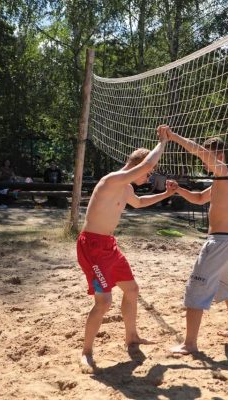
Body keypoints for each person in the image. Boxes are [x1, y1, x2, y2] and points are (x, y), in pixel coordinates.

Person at [77, 126, 176, 373]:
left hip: (109, 246)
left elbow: (139, 203)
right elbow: (144, 167)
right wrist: (162, 143)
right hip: (92, 247)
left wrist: (165, 194)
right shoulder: (111, 180)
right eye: (149, 171)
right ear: (138, 165)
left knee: (131, 290)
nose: (148, 176)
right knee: (104, 302)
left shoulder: (127, 188)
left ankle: (131, 337)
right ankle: (86, 353)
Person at [163, 126, 228, 355]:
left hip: (219, 243)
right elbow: (200, 199)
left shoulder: (226, 173)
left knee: (195, 289)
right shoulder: (220, 180)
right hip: (227, 242)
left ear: (218, 155)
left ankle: (189, 344)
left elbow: (200, 153)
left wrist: (173, 136)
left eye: (209, 155)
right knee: (226, 288)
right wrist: (178, 189)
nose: (204, 160)